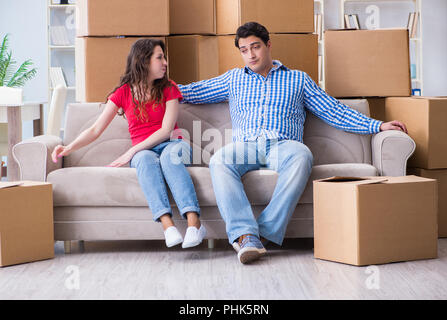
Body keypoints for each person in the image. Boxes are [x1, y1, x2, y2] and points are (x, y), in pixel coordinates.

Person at [178, 22, 408, 264]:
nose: (250, 55)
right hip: (246, 146)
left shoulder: (298, 79)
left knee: (302, 155)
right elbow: (190, 92)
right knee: (220, 160)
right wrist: (147, 87)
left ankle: (263, 233)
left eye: (255, 47)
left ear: (268, 45)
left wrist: (377, 126)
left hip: (283, 145)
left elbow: (333, 110)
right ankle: (245, 235)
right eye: (244, 50)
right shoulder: (233, 79)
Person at [51, 39, 206, 249]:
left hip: (173, 144)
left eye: (164, 57)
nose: (165, 63)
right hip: (145, 151)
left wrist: (132, 150)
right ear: (143, 61)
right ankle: (167, 226)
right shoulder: (123, 93)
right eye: (160, 57)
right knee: (143, 160)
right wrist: (69, 147)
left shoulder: (169, 88)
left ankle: (194, 224)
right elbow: (96, 129)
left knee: (169, 159)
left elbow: (166, 130)